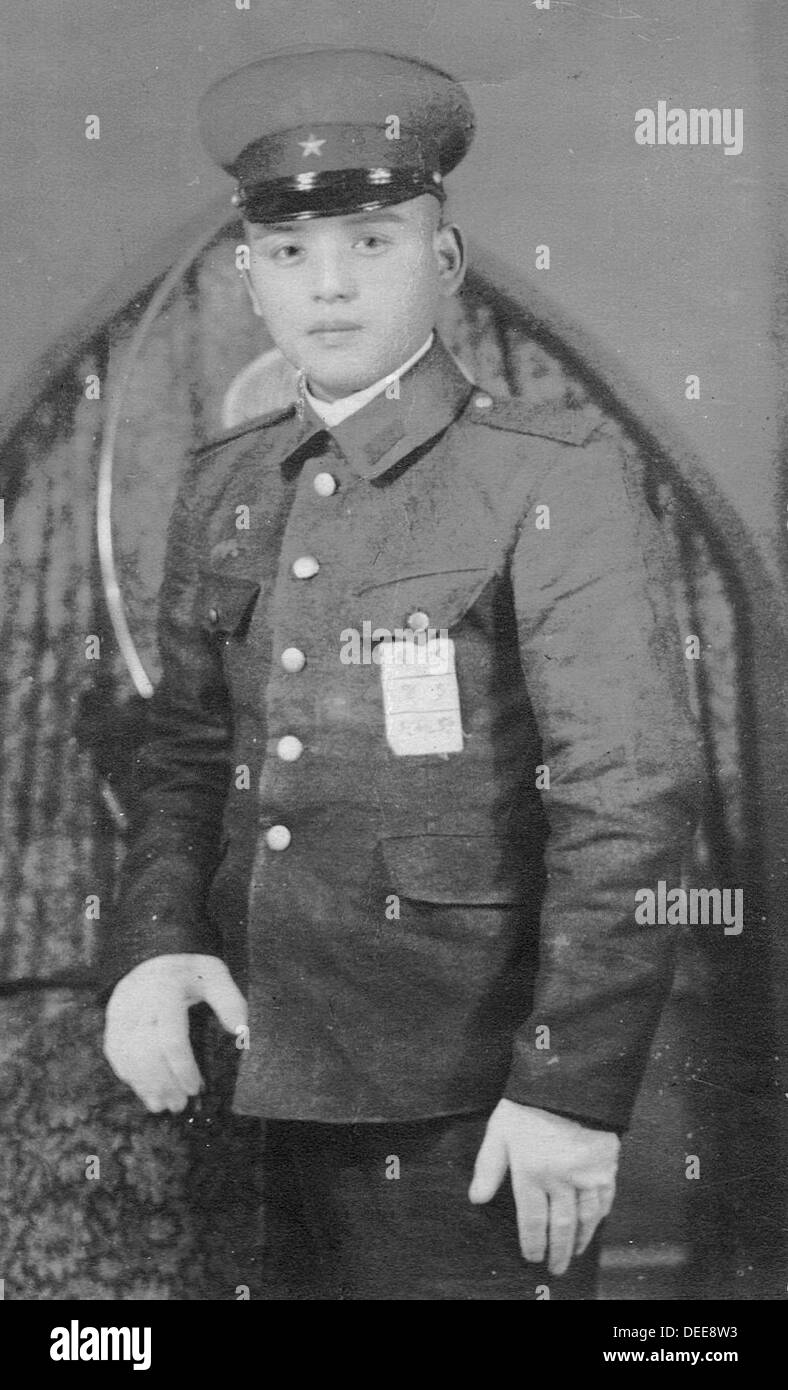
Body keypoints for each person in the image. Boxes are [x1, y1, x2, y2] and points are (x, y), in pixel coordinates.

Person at [102, 46, 702, 1300]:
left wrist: (567, 1088)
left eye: (370, 242)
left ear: (444, 259)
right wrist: (155, 945)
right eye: (288, 251)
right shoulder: (223, 483)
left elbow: (626, 796)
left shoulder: (550, 473)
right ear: (249, 275)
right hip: (247, 1073)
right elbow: (185, 756)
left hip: (469, 1106)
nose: (327, 284)